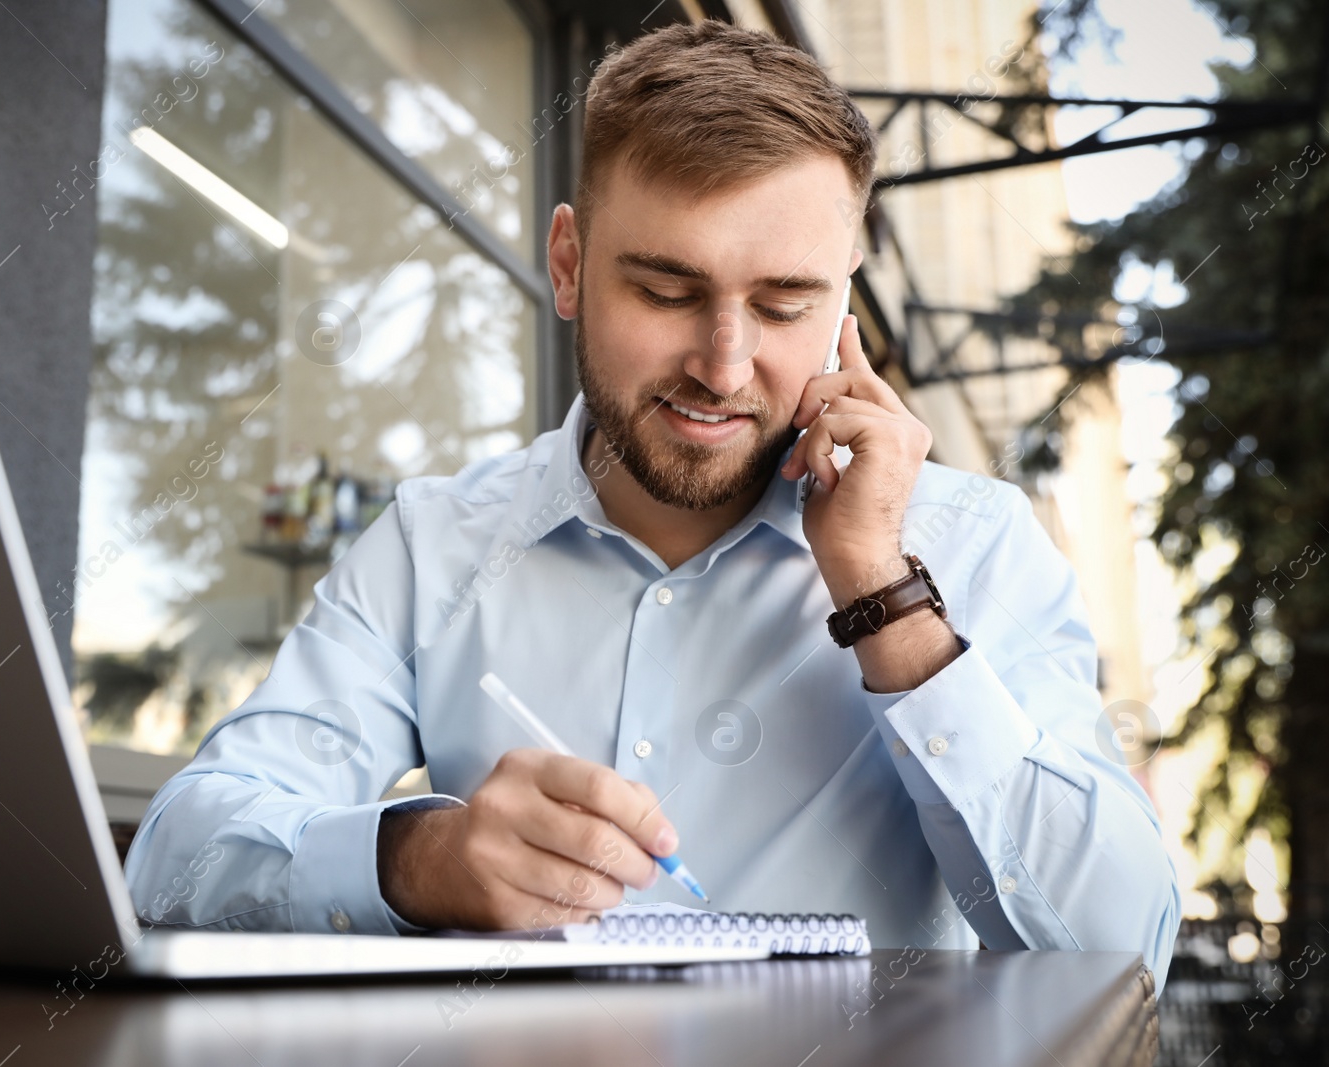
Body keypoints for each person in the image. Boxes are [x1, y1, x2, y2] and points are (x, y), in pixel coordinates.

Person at [124, 20, 1180, 991]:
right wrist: (416, 858)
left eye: (783, 303)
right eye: (667, 292)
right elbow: (174, 860)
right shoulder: (437, 544)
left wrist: (883, 594)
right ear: (569, 264)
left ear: (844, 301)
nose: (723, 366)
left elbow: (1118, 947)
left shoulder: (973, 542)